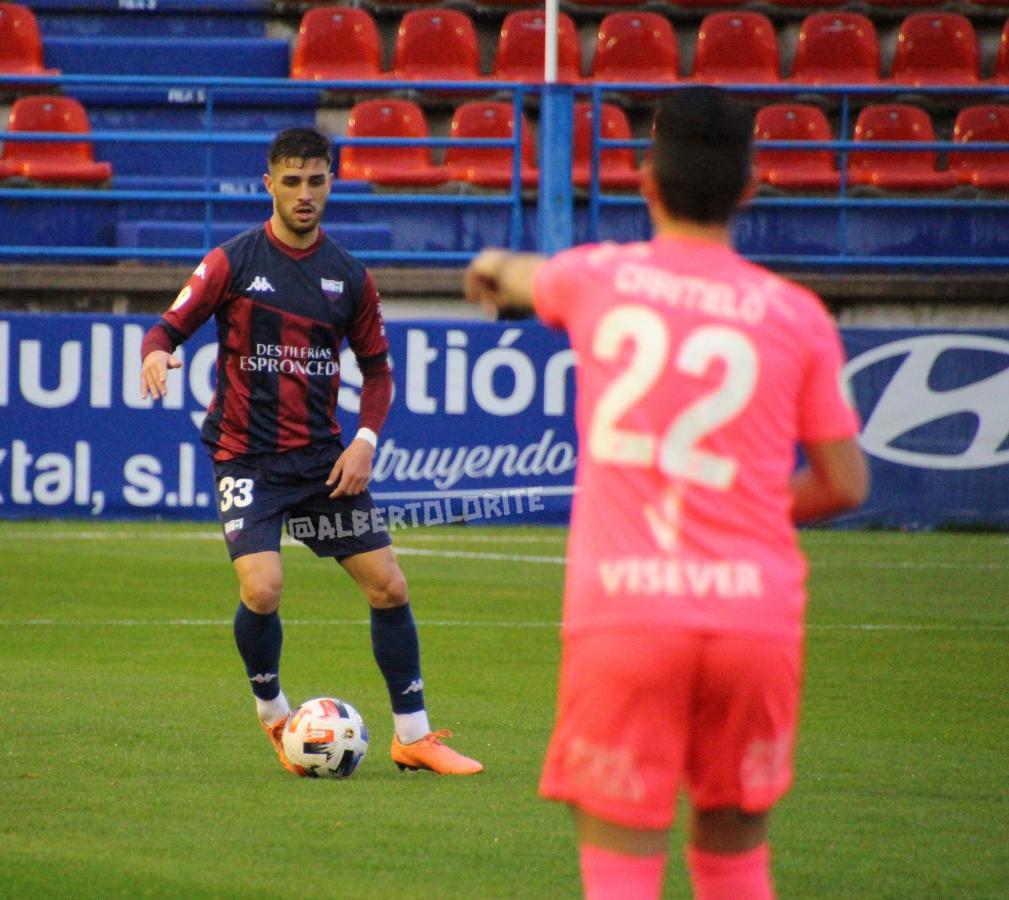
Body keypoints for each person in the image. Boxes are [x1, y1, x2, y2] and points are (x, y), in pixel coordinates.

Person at [464, 87, 867, 898]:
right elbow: (845, 482)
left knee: (621, 869)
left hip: (627, 615)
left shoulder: (595, 278)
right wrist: (749, 511)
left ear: (645, 181)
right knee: (733, 859)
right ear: (749, 188)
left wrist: (491, 268)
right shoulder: (796, 315)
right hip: (752, 619)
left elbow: (515, 274)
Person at [140, 126, 482, 777]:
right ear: (268, 183)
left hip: (322, 462)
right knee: (263, 588)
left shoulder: (348, 277)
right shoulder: (231, 263)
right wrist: (157, 354)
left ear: (331, 182)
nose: (303, 194)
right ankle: (273, 712)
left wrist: (364, 441)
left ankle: (412, 736)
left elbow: (377, 372)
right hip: (246, 460)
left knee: (388, 586)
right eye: (291, 181)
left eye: (315, 181)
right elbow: (165, 327)